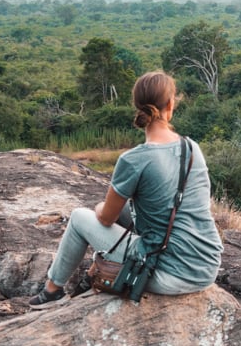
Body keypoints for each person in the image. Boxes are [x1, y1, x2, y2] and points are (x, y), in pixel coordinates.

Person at [30, 70, 223, 308]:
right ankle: (90, 277)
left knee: (81, 218)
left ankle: (51, 292)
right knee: (130, 211)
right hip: (206, 266)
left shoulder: (134, 159)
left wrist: (100, 207)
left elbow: (107, 217)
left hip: (170, 275)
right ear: (171, 104)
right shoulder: (192, 148)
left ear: (138, 107)